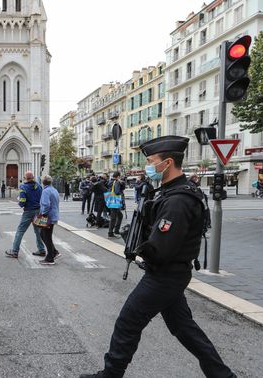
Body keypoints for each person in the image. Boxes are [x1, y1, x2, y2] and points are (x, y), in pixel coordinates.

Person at [81, 136, 236, 378]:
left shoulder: (178, 200)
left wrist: (138, 245)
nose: (148, 166)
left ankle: (110, 375)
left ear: (168, 162)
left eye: (152, 161)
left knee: (128, 321)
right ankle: (223, 375)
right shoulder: (171, 192)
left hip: (165, 275)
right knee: (185, 329)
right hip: (172, 274)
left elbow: (162, 250)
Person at [4, 171, 47, 259]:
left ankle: (15, 251)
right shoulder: (39, 186)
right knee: (39, 232)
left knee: (20, 231)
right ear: (33, 177)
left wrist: (20, 203)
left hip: (28, 212)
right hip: (39, 210)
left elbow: (22, 201)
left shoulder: (23, 187)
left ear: (25, 178)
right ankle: (42, 250)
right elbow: (43, 198)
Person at [38, 175, 60, 265]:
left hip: (47, 217)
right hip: (53, 215)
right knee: (43, 234)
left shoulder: (46, 191)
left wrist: (43, 214)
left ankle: (50, 258)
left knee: (46, 236)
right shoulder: (54, 190)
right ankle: (54, 252)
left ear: (43, 182)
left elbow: (46, 204)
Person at [106, 172, 124, 238]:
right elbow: (116, 192)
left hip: (110, 199)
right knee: (114, 217)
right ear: (118, 176)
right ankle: (110, 232)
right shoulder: (116, 182)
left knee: (119, 215)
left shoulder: (110, 181)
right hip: (115, 200)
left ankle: (116, 230)